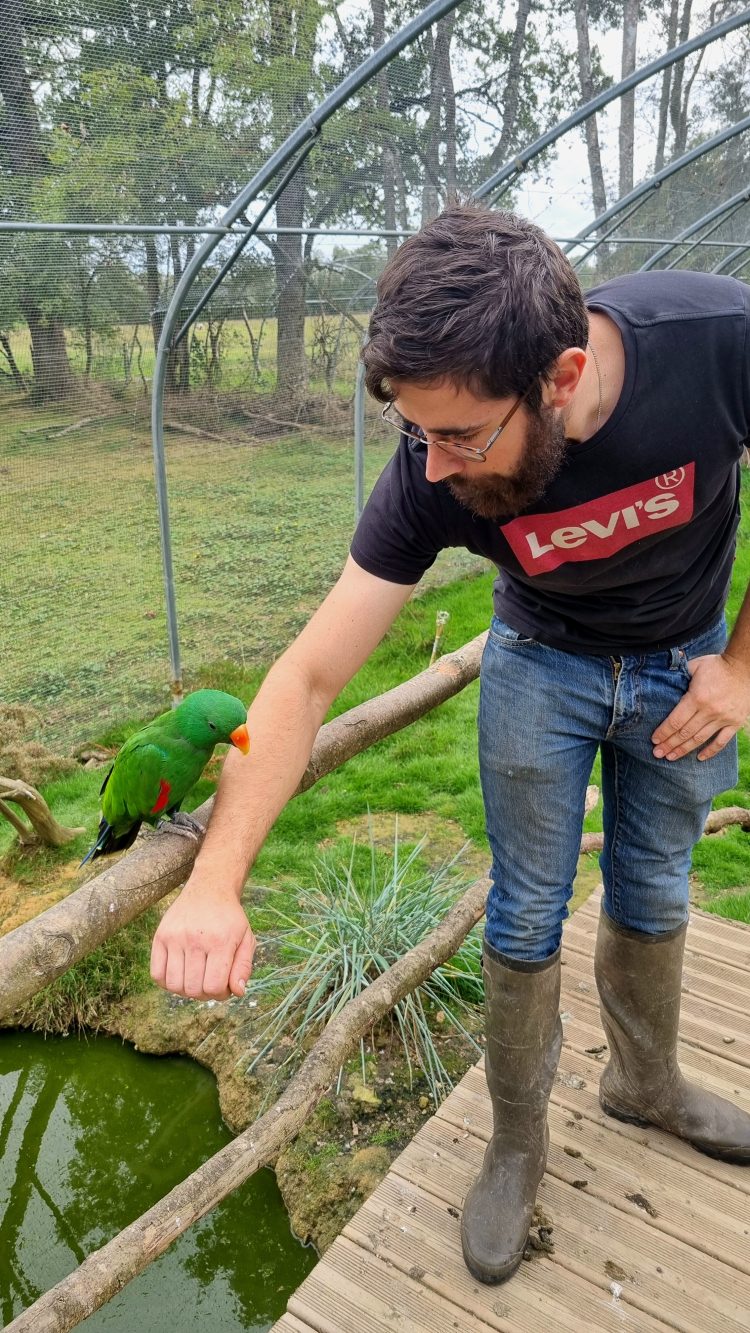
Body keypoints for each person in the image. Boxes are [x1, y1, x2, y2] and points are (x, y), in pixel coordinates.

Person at [150, 204, 750, 1285]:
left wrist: (745, 670)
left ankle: (646, 1083)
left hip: (684, 662)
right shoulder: (431, 468)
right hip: (542, 667)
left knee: (655, 887)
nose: (431, 469)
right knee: (524, 908)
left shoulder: (713, 338)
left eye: (462, 434)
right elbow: (310, 675)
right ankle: (516, 1141)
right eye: (416, 432)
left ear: (562, 377)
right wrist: (216, 878)